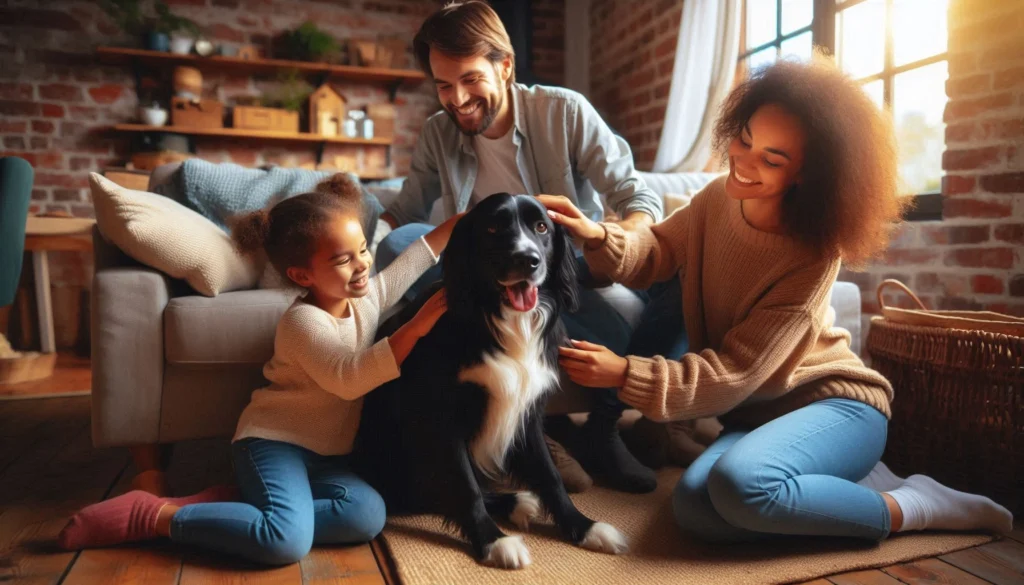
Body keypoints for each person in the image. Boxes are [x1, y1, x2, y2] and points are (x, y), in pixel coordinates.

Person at [540, 55, 1014, 543]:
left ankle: (914, 503)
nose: (743, 163)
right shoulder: (717, 199)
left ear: (807, 174)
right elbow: (658, 251)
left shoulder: (813, 256)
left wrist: (625, 373)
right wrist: (598, 235)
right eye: (744, 140)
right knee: (696, 511)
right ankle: (833, 481)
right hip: (757, 417)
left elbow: (737, 370)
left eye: (772, 158)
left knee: (742, 490)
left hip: (837, 407)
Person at [58, 175, 462, 564]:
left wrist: (468, 220)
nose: (361, 265)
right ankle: (154, 516)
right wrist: (417, 325)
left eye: (362, 249)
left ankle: (239, 506)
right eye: (343, 259)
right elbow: (350, 379)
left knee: (367, 515)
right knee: (284, 542)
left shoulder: (366, 296)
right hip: (273, 444)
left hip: (327, 457)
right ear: (302, 275)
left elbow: (417, 255)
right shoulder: (303, 322)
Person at [374, 0, 683, 494]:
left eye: (470, 79)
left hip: (567, 275)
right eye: (443, 86)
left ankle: (601, 430)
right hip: (485, 284)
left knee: (669, 282)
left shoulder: (563, 111)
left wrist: (608, 239)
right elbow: (407, 211)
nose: (456, 99)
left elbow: (638, 195)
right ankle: (533, 428)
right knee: (398, 247)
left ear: (505, 65)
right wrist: (363, 247)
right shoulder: (438, 133)